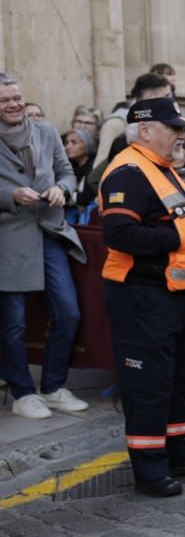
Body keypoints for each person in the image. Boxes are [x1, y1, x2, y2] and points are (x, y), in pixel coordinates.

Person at [97, 96, 185, 495]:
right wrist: (176, 238)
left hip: (176, 292)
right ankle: (149, 470)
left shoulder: (161, 168)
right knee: (148, 385)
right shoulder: (129, 172)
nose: (181, 136)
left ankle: (175, 451)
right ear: (146, 130)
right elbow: (119, 234)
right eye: (174, 129)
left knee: (176, 379)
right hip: (143, 295)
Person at [0, 72, 87, 419]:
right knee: (14, 323)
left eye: (17, 98)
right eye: (5, 100)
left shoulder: (47, 132)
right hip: (9, 239)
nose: (14, 104)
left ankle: (52, 386)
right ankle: (22, 392)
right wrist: (10, 196)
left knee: (68, 312)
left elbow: (66, 172)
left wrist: (61, 190)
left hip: (50, 231)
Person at [63, 125, 98, 212]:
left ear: (87, 145)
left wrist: (67, 196)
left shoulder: (95, 166)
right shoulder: (68, 166)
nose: (67, 147)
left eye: (74, 142)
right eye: (66, 143)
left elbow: (90, 196)